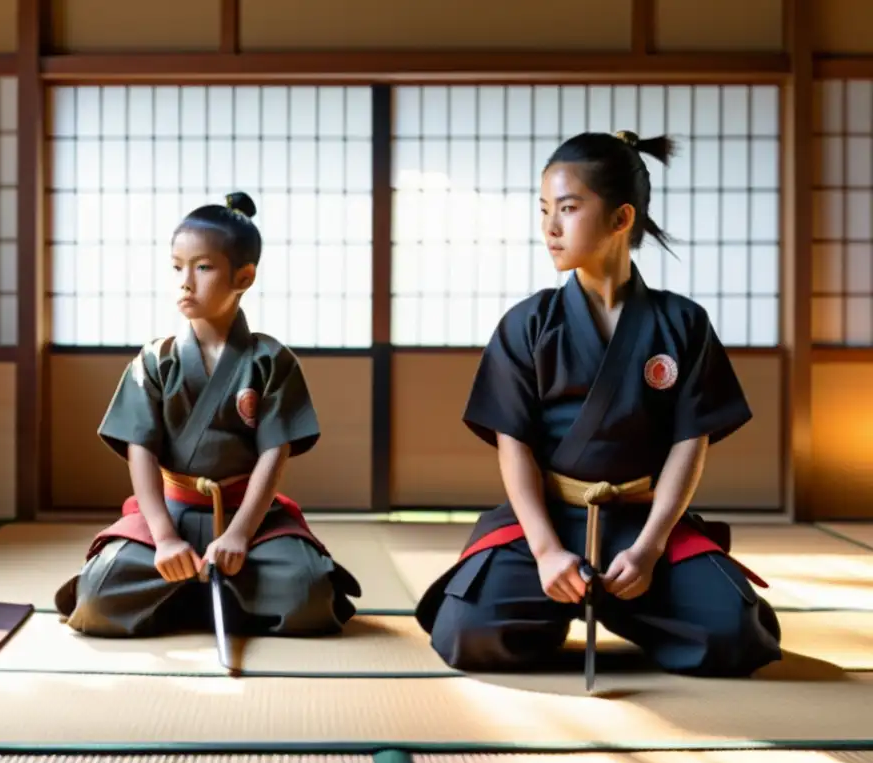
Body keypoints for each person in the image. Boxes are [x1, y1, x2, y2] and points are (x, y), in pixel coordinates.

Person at [414, 131, 783, 678]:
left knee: (737, 635)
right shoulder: (529, 324)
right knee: (465, 631)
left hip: (641, 521)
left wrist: (652, 548)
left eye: (567, 209)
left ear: (620, 218)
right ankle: (568, 600)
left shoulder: (681, 324)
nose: (550, 228)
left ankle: (624, 598)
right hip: (550, 520)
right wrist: (544, 551)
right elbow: (512, 444)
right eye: (544, 210)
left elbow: (690, 443)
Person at [54, 191, 361, 639]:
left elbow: (275, 452)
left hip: (250, 519)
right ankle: (214, 593)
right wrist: (162, 536)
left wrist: (238, 534)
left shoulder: (271, 361)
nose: (185, 282)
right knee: (99, 594)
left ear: (244, 276)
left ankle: (192, 594)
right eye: (177, 267)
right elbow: (139, 448)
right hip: (171, 513)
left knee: (308, 591)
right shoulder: (155, 360)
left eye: (202, 267)